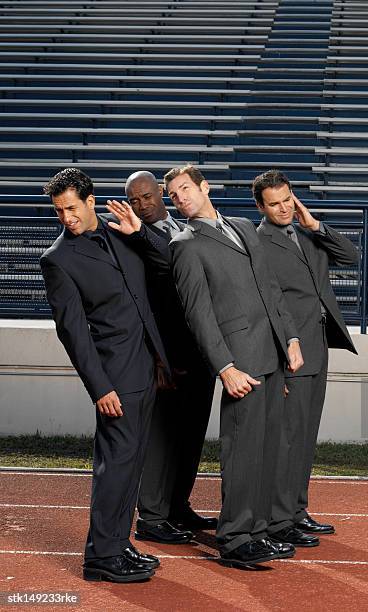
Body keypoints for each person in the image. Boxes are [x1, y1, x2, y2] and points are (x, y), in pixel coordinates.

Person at [165, 165, 304, 566]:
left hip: (273, 353)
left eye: (186, 189)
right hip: (240, 361)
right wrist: (224, 367)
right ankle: (236, 538)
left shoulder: (244, 226)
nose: (181, 198)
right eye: (174, 195)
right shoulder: (185, 244)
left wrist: (291, 338)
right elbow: (198, 314)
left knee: (266, 449)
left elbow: (271, 289)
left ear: (204, 186)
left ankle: (257, 530)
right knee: (243, 452)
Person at [40, 168, 170, 582]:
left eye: (72, 208)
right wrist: (100, 388)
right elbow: (74, 334)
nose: (67, 219)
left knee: (131, 467)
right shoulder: (57, 259)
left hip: (148, 368)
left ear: (91, 200)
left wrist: (140, 234)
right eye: (59, 212)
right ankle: (101, 558)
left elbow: (168, 261)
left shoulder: (122, 232)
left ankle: (120, 543)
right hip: (115, 379)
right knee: (114, 467)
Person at [253, 170, 358, 542]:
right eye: (274, 203)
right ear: (260, 207)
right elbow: (267, 303)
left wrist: (315, 224)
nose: (283, 208)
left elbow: (351, 255)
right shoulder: (258, 242)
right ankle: (279, 521)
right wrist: (280, 356)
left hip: (318, 346)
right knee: (287, 439)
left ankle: (297, 510)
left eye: (287, 200)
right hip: (291, 352)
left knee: (306, 436)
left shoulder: (308, 233)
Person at [124, 171, 216, 544]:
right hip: (164, 357)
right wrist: (155, 358)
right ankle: (151, 516)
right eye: (134, 200)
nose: (142, 205)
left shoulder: (183, 227)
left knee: (190, 436)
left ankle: (178, 505)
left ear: (161, 194)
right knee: (162, 439)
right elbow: (139, 306)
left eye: (147, 197)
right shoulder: (131, 238)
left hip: (199, 352)